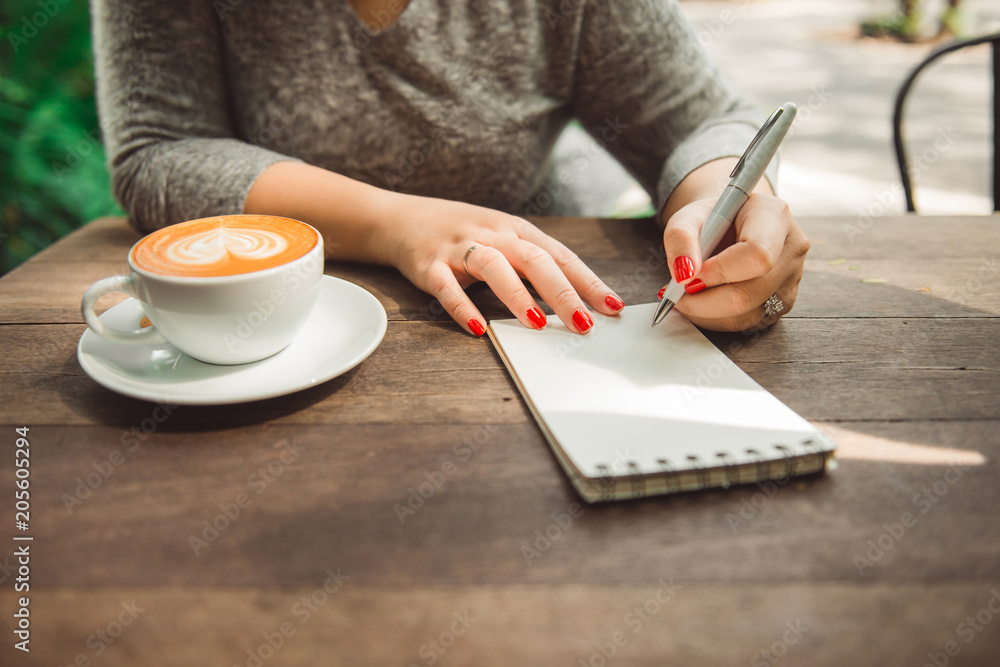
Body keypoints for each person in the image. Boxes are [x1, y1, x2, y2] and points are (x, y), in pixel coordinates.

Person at [91, 0, 809, 336]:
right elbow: (161, 148)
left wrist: (725, 201)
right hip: (277, 330)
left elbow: (704, 120)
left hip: (534, 316)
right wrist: (393, 222)